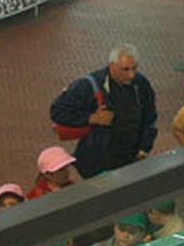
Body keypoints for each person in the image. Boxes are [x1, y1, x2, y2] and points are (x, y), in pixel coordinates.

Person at [50, 44, 158, 179]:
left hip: (130, 160)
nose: (131, 75)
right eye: (125, 69)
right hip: (98, 165)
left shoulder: (141, 84)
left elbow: (150, 117)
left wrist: (144, 148)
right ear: (112, 66)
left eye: (134, 68)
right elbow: (57, 111)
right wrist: (91, 118)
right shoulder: (89, 85)